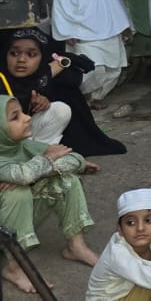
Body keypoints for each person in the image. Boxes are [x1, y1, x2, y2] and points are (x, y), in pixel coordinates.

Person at [0, 92, 98, 293]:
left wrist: (44, 166)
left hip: (13, 226)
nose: (27, 118)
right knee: (18, 193)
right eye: (15, 117)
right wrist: (44, 163)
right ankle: (14, 268)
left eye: (22, 112)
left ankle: (76, 247)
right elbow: (25, 175)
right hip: (4, 233)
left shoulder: (21, 145)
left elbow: (74, 159)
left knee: (67, 180)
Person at [4, 27, 124, 156]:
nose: (21, 60)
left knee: (60, 110)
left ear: (42, 58)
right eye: (14, 53)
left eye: (31, 54)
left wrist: (42, 102)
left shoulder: (43, 79)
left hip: (23, 137)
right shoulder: (2, 78)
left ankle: (39, 155)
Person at [51, 0, 132, 108]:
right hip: (81, 38)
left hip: (108, 35)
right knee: (94, 69)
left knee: (114, 69)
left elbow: (115, 8)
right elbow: (59, 14)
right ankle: (84, 95)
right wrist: (66, 33)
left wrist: (124, 29)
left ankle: (97, 97)